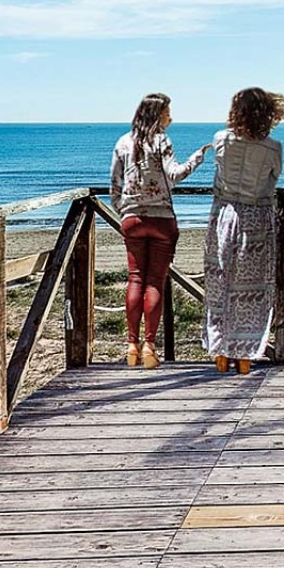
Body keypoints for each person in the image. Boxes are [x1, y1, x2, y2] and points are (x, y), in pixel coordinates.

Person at [110, 93, 209, 369]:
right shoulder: (161, 141)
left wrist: (124, 211)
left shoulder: (123, 142)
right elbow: (174, 175)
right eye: (167, 112)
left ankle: (131, 345)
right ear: (157, 115)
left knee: (135, 279)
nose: (171, 117)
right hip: (161, 220)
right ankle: (150, 348)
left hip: (132, 220)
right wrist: (198, 158)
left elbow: (114, 185)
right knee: (154, 282)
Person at [202, 87, 284, 374]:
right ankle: (246, 357)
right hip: (256, 218)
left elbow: (220, 174)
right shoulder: (273, 147)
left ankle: (221, 354)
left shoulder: (220, 139)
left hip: (224, 216)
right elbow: (273, 177)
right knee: (252, 290)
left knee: (220, 284)